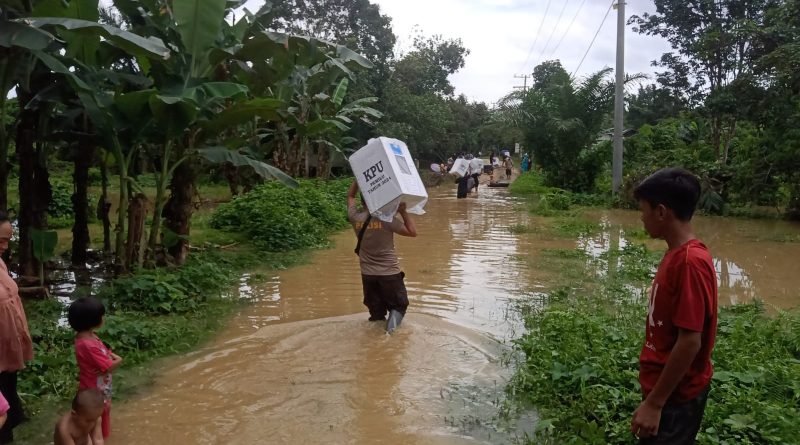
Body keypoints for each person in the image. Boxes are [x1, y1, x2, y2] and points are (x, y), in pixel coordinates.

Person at [630, 168, 718, 444]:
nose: (641, 218)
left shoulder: (690, 262)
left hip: (674, 398)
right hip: (666, 390)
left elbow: (690, 342)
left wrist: (655, 404)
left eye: (643, 210)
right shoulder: (677, 254)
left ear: (661, 212)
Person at [347, 181, 417, 333]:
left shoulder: (355, 217)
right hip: (389, 274)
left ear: (363, 201)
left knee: (376, 314)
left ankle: (374, 342)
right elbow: (412, 232)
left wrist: (358, 179)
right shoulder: (388, 220)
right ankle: (389, 336)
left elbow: (350, 195)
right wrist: (403, 212)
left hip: (367, 275)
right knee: (399, 306)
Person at [0, 211, 34, 444]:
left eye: (7, 240)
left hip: (7, 352)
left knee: (7, 404)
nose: (5, 245)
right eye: (0, 240)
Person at [68, 298, 123, 440]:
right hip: (95, 388)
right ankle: (101, 438)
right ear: (92, 321)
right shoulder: (88, 344)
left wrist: (109, 356)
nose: (103, 318)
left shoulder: (89, 337)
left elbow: (105, 353)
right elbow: (108, 366)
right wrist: (119, 360)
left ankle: (101, 436)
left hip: (99, 385)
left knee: (103, 410)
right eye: (101, 316)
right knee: (99, 413)